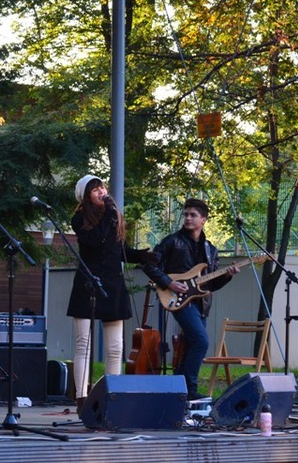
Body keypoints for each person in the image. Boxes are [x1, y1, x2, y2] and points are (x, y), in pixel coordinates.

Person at [68, 174, 157, 413]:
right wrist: (109, 214)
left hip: (112, 282)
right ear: (85, 196)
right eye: (95, 189)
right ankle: (82, 398)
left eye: (102, 187)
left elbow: (116, 250)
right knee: (83, 343)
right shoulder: (79, 219)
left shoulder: (113, 217)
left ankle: (112, 395)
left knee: (115, 346)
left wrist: (140, 256)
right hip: (88, 283)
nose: (101, 192)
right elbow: (95, 242)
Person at [143, 198, 239, 400]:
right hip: (178, 298)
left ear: (203, 219)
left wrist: (228, 275)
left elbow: (211, 285)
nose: (187, 218)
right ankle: (190, 390)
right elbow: (149, 265)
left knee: (190, 345)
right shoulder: (172, 241)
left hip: (200, 303)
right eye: (186, 214)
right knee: (201, 341)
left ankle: (176, 391)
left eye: (192, 215)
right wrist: (169, 282)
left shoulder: (210, 249)